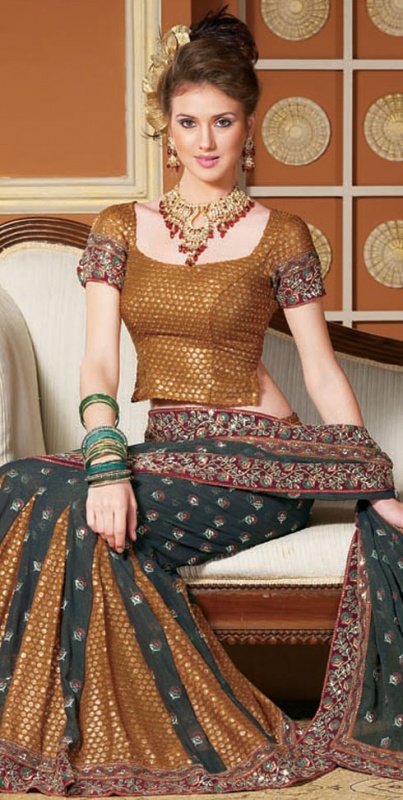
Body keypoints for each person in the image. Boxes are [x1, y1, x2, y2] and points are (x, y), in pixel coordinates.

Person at [0, 7, 402, 796]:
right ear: (167, 127)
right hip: (165, 451)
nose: (206, 141)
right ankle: (54, 723)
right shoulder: (119, 228)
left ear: (248, 127)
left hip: (261, 466)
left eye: (222, 121)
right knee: (21, 484)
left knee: (62, 506)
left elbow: (320, 371)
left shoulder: (280, 233)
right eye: (189, 122)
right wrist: (106, 461)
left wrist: (371, 481)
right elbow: (97, 358)